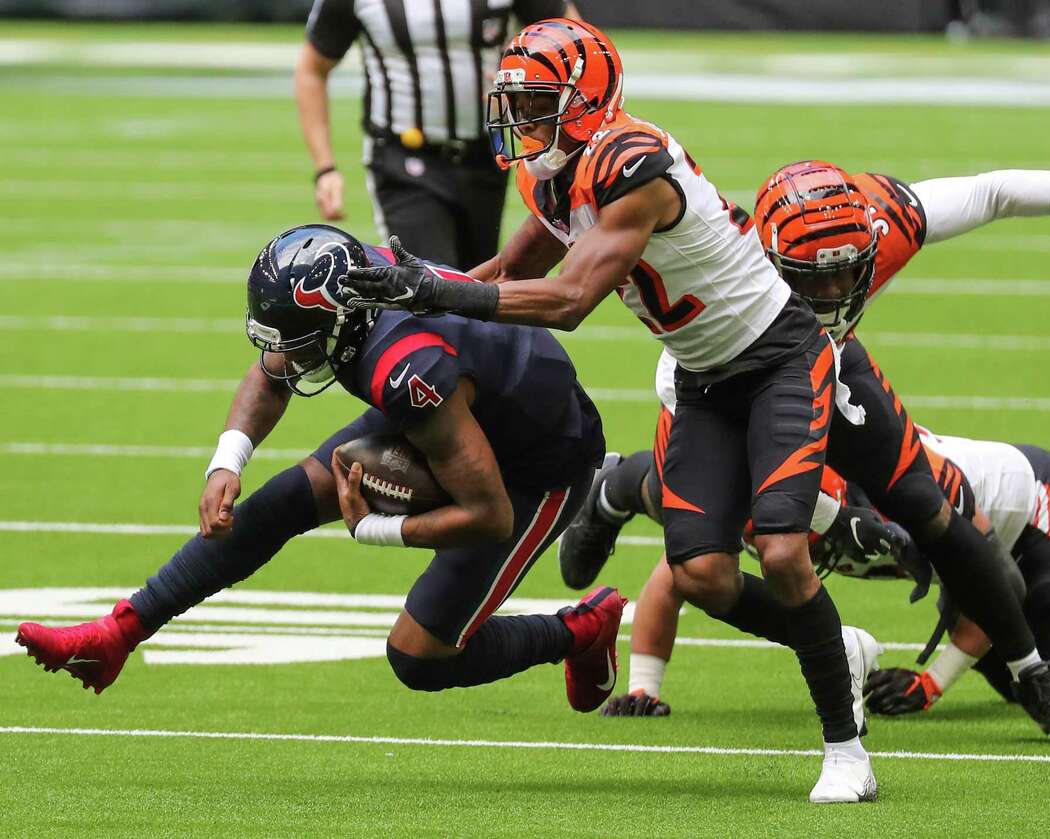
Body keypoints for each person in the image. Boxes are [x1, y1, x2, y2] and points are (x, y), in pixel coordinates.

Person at [342, 17, 879, 803]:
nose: (520, 121)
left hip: (779, 359)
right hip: (704, 375)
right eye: (514, 104)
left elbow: (565, 301)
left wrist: (427, 287)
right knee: (702, 573)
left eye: (534, 103)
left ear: (586, 99)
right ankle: (839, 644)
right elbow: (509, 269)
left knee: (785, 553)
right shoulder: (558, 171)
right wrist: (408, 311)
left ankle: (846, 751)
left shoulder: (633, 166)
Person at [558, 126, 1050, 742]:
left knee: (926, 504)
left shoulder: (872, 222)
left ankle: (1034, 673)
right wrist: (828, 515)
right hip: (732, 380)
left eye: (844, 277)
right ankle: (617, 491)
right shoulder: (724, 273)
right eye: (810, 280)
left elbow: (988, 194)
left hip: (833, 366)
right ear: (764, 260)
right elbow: (680, 386)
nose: (829, 294)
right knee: (692, 534)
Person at [15, 224, 623, 714]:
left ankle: (580, 629)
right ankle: (116, 634)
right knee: (279, 502)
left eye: (299, 340)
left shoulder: (407, 371)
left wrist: (376, 529)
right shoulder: (353, 283)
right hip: (455, 405)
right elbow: (274, 365)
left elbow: (490, 516)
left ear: (339, 324)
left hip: (539, 460)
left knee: (420, 657)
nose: (283, 355)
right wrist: (229, 458)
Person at [593, 430, 1050, 723]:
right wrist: (645, 686)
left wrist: (932, 684)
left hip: (1041, 515)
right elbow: (673, 578)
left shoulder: (905, 496)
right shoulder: (758, 501)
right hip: (981, 564)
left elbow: (994, 589)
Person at [296, 0, 579, 267]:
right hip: (403, 159)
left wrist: (528, 69)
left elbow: (575, 44)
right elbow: (312, 69)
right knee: (430, 289)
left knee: (476, 294)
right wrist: (326, 169)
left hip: (487, 154)